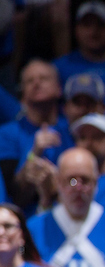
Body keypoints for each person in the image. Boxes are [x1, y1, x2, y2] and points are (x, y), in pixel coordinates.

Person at [0, 58, 69, 205]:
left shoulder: (72, 129)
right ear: (22, 93)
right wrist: (35, 153)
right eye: (29, 81)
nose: (36, 83)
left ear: (59, 88)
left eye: (43, 78)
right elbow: (14, 194)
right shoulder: (7, 134)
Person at [53, 0, 105, 83]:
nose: (93, 31)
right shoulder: (58, 68)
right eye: (87, 25)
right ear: (76, 29)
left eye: (100, 24)